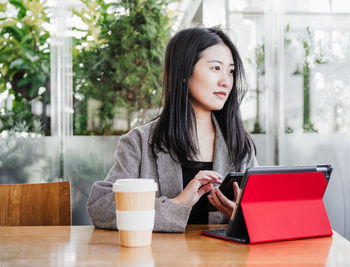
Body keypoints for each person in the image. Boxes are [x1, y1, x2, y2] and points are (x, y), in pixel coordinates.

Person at [87, 26, 258, 232]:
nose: (226, 81)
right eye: (215, 68)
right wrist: (176, 204)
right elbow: (101, 207)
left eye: (230, 71)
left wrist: (242, 216)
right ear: (184, 72)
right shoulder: (140, 142)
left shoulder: (240, 144)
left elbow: (266, 209)